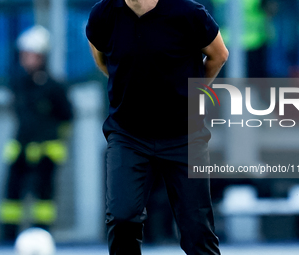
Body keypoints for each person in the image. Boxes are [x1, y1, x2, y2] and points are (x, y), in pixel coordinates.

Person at [86, 0, 228, 254]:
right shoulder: (104, 14)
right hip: (128, 135)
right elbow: (101, 57)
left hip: (184, 135)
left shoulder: (188, 13)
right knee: (122, 218)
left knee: (197, 231)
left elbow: (219, 55)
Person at [0, 25, 73, 242]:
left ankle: (42, 235)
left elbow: (67, 116)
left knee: (44, 197)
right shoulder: (19, 83)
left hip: (46, 151)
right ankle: (8, 237)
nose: (26, 59)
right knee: (11, 196)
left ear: (41, 56)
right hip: (20, 147)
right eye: (23, 54)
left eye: (30, 54)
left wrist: (55, 141)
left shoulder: (54, 86)